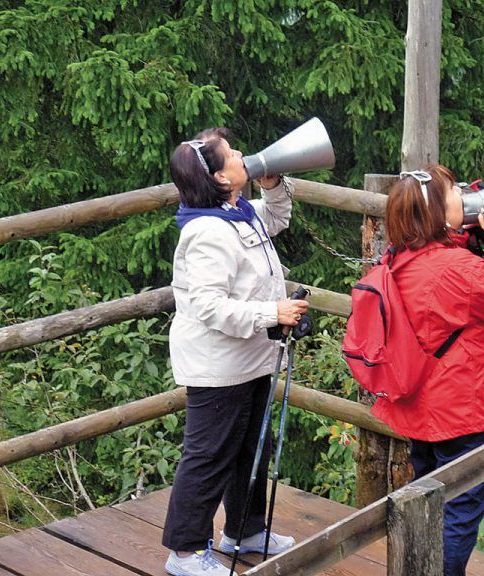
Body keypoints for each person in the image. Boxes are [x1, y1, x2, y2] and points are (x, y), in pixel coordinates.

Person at [372, 164, 484, 576]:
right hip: (462, 408)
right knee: (460, 509)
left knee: (426, 498)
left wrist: (466, 234)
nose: (463, 198)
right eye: (454, 196)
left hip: (422, 405)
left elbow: (450, 270)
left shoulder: (402, 253)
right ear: (434, 214)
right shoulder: (456, 269)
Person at [162, 127, 309, 576]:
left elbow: (277, 218)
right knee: (208, 456)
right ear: (221, 178)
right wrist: (273, 312)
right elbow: (208, 305)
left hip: (248, 358)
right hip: (217, 364)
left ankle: (243, 530)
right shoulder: (207, 231)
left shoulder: (235, 212)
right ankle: (184, 553)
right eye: (232, 154)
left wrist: (272, 183)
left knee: (250, 448)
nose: (242, 154)